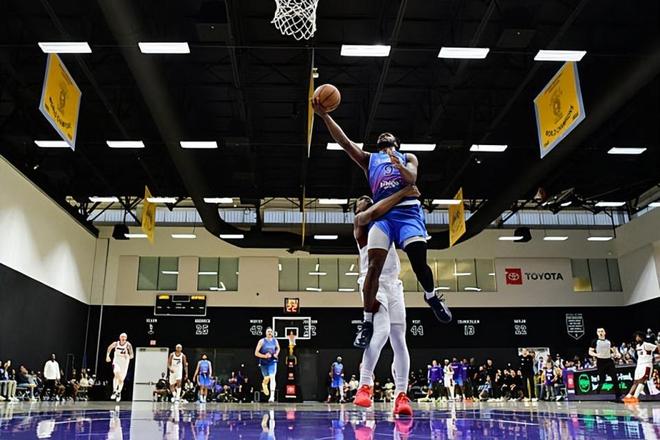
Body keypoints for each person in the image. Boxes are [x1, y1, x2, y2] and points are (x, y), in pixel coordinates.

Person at [312, 102, 452, 348]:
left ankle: (431, 296)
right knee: (373, 266)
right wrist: (324, 116)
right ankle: (367, 322)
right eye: (380, 135)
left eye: (388, 134)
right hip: (384, 217)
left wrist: (399, 166)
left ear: (396, 142)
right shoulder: (370, 160)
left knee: (419, 262)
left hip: (409, 215)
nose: (384, 135)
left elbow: (412, 178)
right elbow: (345, 142)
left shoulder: (408, 157)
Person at [350, 187, 414, 416]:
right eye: (360, 200)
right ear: (355, 210)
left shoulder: (386, 222)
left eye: (368, 198)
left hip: (394, 284)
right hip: (372, 282)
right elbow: (373, 212)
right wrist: (403, 192)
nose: (365, 200)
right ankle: (364, 386)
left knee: (399, 339)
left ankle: (401, 395)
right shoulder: (360, 221)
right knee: (382, 330)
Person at [623, 331, 659, 403]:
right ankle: (628, 396)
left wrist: (657, 342)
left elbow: (657, 349)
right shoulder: (637, 346)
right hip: (639, 365)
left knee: (642, 381)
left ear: (642, 337)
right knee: (636, 381)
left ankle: (635, 397)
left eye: (638, 336)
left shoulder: (647, 345)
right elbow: (630, 356)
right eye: (636, 337)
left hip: (646, 365)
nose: (636, 338)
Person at [588, 327, 622, 402]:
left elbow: (614, 350)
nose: (600, 333)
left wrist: (617, 354)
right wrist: (596, 355)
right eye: (599, 331)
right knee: (602, 379)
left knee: (614, 378)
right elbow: (590, 352)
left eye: (602, 331)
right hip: (600, 362)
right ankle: (599, 387)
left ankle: (618, 397)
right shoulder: (595, 341)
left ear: (605, 332)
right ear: (597, 333)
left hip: (609, 361)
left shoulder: (609, 341)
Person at [106, 332, 134, 402]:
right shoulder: (116, 343)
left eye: (125, 337)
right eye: (122, 337)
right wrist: (107, 356)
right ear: (120, 337)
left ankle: (118, 392)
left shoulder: (128, 345)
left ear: (126, 338)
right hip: (116, 362)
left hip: (124, 363)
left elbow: (132, 356)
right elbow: (109, 348)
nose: (123, 338)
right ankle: (114, 391)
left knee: (121, 379)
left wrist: (127, 356)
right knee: (116, 373)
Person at [255, 327, 280, 403]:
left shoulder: (275, 341)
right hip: (263, 362)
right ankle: (264, 384)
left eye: (271, 331)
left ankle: (272, 396)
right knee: (266, 378)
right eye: (268, 331)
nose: (269, 333)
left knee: (272, 377)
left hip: (272, 362)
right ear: (266, 333)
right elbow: (256, 353)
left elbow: (278, 348)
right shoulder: (262, 341)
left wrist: (276, 354)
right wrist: (264, 356)